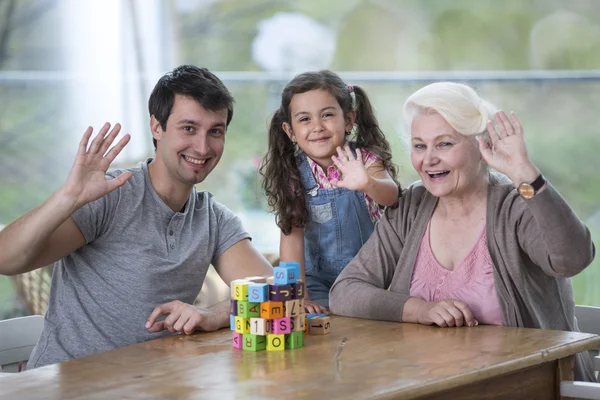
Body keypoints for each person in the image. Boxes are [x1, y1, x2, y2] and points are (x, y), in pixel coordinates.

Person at [0, 65, 273, 368]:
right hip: (70, 387)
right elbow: (5, 259)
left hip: (150, 385)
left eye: (215, 131)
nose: (203, 146)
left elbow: (274, 292)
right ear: (157, 127)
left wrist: (215, 314)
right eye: (188, 128)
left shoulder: (213, 219)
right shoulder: (110, 195)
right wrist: (68, 197)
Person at [329, 81, 596, 380]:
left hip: (529, 383)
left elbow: (573, 259)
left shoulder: (515, 205)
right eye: (420, 145)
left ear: (481, 147)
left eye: (444, 144)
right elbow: (345, 292)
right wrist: (420, 310)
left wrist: (525, 174)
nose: (428, 159)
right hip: (433, 384)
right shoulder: (412, 206)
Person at [260, 70, 400, 314]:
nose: (317, 127)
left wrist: (367, 183)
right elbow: (291, 239)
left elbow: (392, 196)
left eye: (327, 115)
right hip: (316, 281)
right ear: (290, 131)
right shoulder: (294, 174)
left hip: (368, 276)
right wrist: (298, 296)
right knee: (316, 322)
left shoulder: (365, 160)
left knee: (369, 315)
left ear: (348, 120)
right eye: (304, 119)